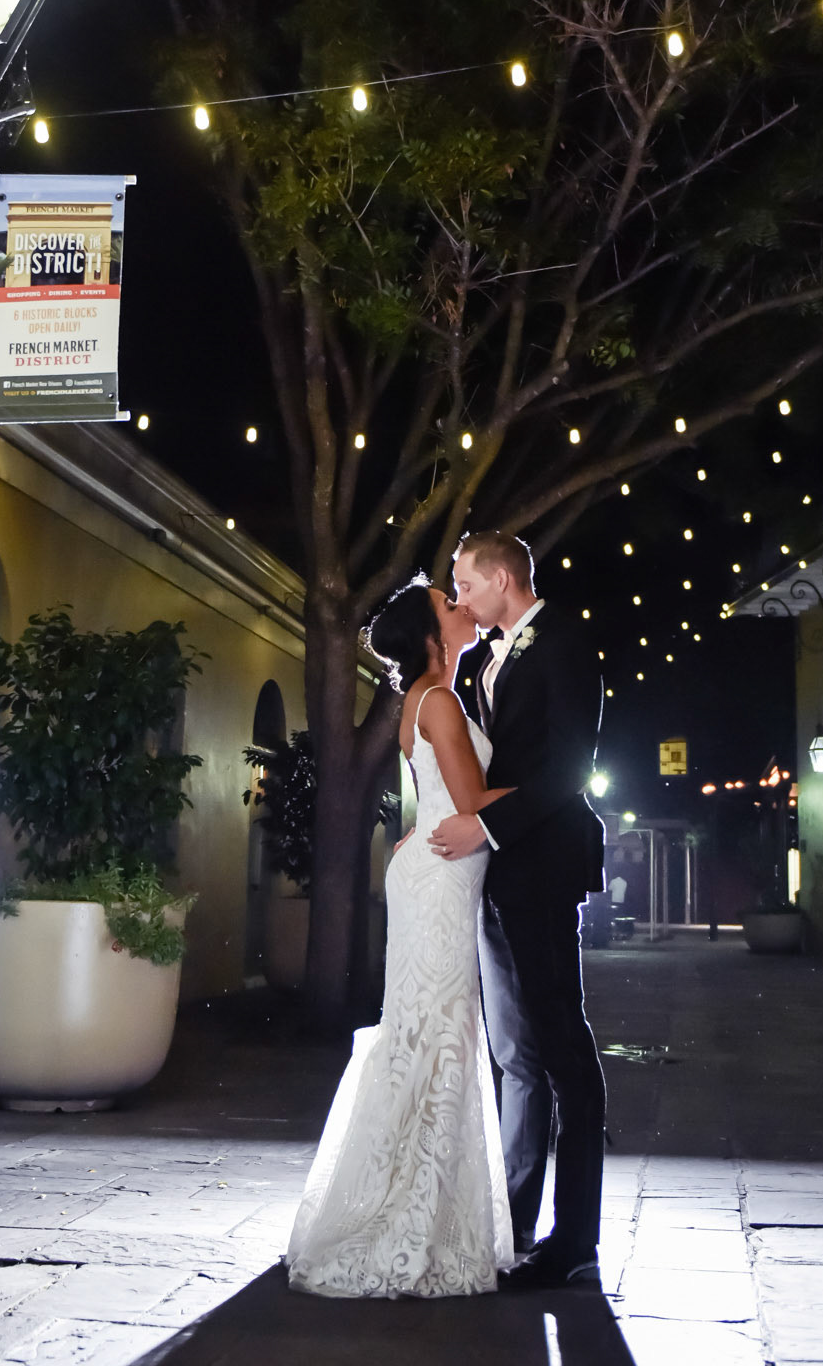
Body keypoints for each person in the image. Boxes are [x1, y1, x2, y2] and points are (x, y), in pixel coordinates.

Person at [286, 578, 515, 1297]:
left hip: (434, 866)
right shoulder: (440, 700)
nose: (461, 608)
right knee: (436, 1030)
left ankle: (420, 1206)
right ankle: (412, 1218)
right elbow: (473, 800)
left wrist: (422, 825)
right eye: (450, 604)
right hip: (441, 880)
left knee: (427, 1030)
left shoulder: (429, 698)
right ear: (429, 633)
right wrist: (547, 788)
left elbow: (441, 795)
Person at [431, 529, 607, 1293]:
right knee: (516, 1056)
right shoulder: (480, 663)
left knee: (562, 1045)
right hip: (495, 878)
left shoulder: (565, 642)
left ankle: (575, 1240)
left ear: (502, 578)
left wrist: (486, 826)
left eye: (465, 583)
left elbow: (569, 768)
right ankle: (517, 1225)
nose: (459, 597)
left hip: (539, 866)